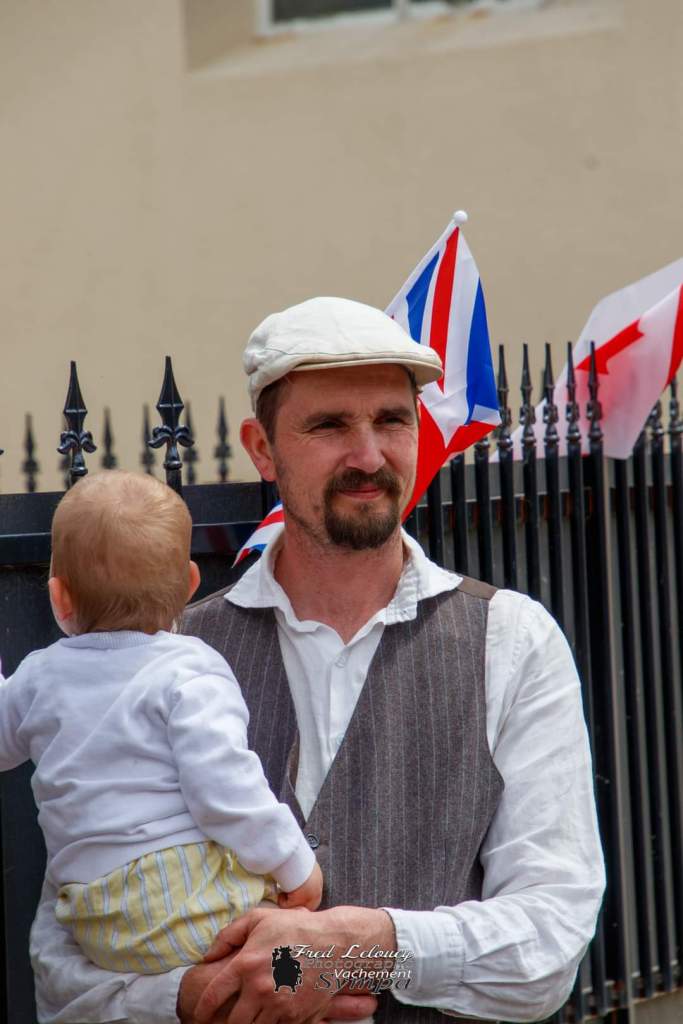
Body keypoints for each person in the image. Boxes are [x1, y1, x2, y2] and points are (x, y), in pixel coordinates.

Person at [30, 297, 605, 1024]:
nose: (368, 456)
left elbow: (550, 942)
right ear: (262, 449)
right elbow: (62, 972)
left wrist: (356, 952)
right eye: (330, 425)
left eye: (392, 421)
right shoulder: (159, 654)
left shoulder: (511, 639)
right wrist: (186, 998)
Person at [0, 471, 322, 976]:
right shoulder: (189, 669)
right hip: (187, 901)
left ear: (59, 596)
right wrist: (294, 864)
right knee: (305, 958)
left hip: (93, 917)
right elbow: (226, 791)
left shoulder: (39, 677)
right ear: (191, 584)